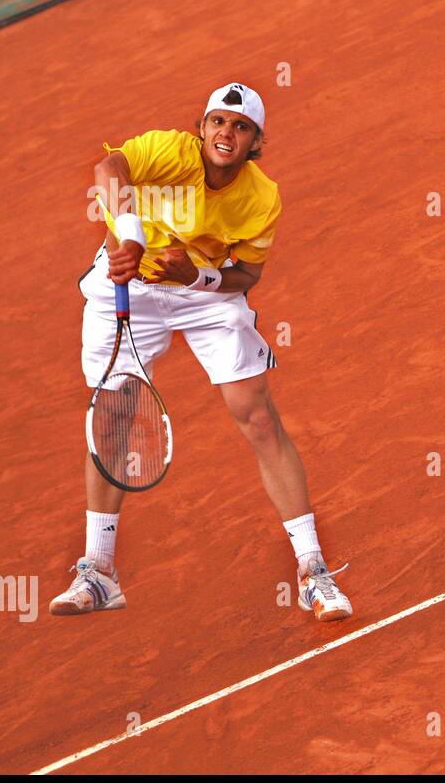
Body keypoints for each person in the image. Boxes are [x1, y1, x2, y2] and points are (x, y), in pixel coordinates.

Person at [49, 83, 352, 623]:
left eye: (240, 127)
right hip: (129, 283)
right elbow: (108, 168)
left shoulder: (261, 197)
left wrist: (199, 275)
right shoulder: (170, 150)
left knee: (257, 417)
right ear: (202, 127)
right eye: (217, 122)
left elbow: (246, 275)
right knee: (112, 419)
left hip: (203, 297)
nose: (226, 134)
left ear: (256, 140)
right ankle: (98, 572)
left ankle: (313, 570)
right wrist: (131, 236)